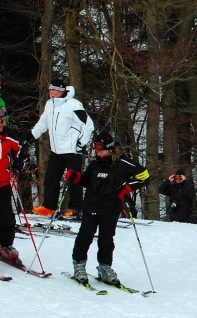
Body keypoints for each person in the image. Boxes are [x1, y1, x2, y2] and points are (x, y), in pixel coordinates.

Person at [65, 132, 150, 285]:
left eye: (100, 148)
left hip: (110, 208)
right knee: (84, 238)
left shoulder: (124, 163)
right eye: (94, 147)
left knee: (106, 240)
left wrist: (126, 189)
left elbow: (145, 176)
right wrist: (76, 177)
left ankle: (105, 267)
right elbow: (87, 181)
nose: (97, 151)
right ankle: (79, 265)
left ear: (110, 148)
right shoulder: (95, 163)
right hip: (91, 206)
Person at [27, 78, 94, 218]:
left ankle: (76, 209)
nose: (52, 92)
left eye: (55, 90)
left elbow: (88, 125)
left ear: (62, 91)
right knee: (51, 178)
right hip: (56, 150)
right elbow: (43, 123)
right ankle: (49, 207)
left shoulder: (73, 105)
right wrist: (31, 135)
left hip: (72, 150)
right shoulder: (49, 104)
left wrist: (81, 143)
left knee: (74, 179)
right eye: (50, 90)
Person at [0, 107, 27, 267]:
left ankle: (6, 245)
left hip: (3, 184)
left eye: (3, 121)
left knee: (6, 218)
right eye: (0, 122)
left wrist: (17, 168)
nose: (3, 124)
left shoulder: (8, 135)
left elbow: (21, 152)